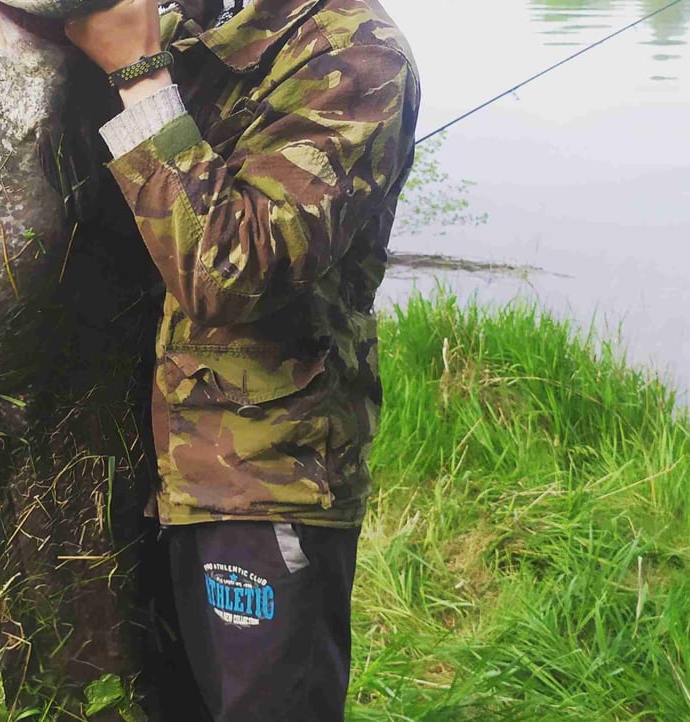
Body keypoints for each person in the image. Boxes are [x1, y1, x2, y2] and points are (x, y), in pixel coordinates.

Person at [63, 0, 422, 719]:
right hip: (150, 463)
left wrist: (141, 78)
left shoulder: (357, 54)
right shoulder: (190, 25)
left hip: (264, 477)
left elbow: (231, 271)